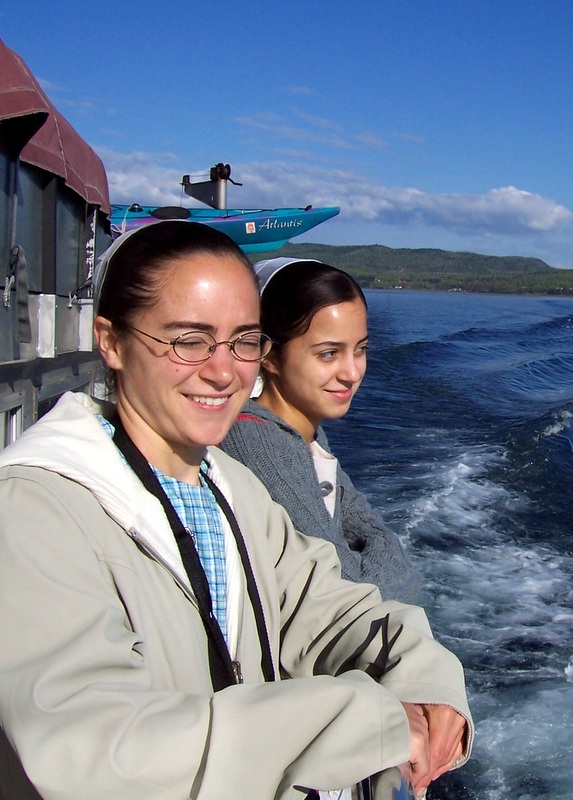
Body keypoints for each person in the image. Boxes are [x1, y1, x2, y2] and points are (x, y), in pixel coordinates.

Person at [0, 221, 471, 800]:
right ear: (112, 341)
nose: (224, 372)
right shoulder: (37, 509)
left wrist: (425, 677)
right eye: (188, 340)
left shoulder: (230, 488)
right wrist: (362, 723)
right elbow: (96, 749)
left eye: (244, 341)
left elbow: (326, 606)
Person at [221, 258, 422, 604]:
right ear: (266, 354)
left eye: (360, 349)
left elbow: (368, 528)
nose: (352, 372)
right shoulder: (261, 449)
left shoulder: (303, 434)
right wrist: (387, 557)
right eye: (329, 354)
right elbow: (359, 593)